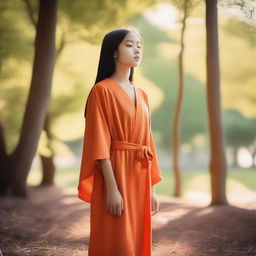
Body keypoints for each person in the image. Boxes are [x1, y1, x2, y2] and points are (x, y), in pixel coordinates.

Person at [78, 26, 162, 256]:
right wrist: (112, 191)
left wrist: (152, 189)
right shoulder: (101, 91)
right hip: (114, 174)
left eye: (139, 45)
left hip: (139, 174)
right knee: (114, 237)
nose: (137, 50)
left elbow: (148, 142)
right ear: (113, 52)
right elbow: (99, 143)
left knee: (136, 236)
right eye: (129, 44)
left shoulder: (142, 94)